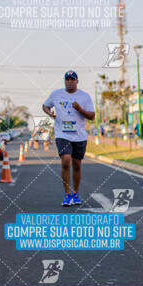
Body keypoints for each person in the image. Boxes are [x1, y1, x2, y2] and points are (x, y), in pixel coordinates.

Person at [42, 70, 95, 206]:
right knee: (66, 161)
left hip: (79, 135)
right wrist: (50, 114)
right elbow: (45, 106)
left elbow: (92, 116)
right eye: (67, 79)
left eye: (72, 79)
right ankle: (67, 195)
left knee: (77, 164)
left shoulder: (85, 96)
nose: (70, 82)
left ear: (77, 81)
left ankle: (75, 194)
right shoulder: (56, 94)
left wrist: (80, 109)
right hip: (62, 134)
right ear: (65, 81)